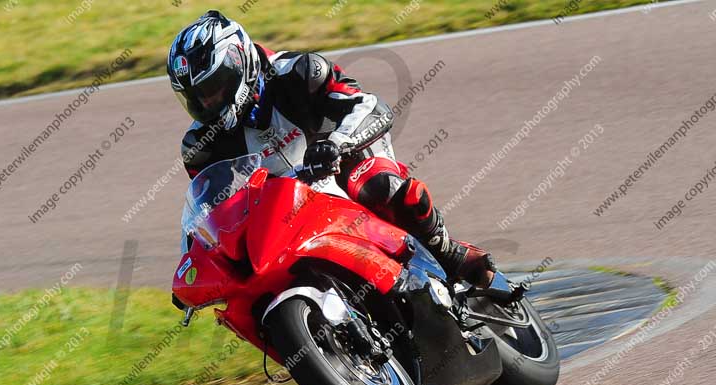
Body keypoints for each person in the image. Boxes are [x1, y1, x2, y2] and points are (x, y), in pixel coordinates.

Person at [167, 10, 496, 288]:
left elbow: (370, 106)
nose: (207, 102)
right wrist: (194, 265)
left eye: (212, 87)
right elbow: (207, 219)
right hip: (286, 213)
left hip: (344, 161)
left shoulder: (300, 72)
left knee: (377, 185)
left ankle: (444, 251)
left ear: (239, 63)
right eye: (196, 97)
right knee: (250, 275)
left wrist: (336, 144)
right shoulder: (202, 148)